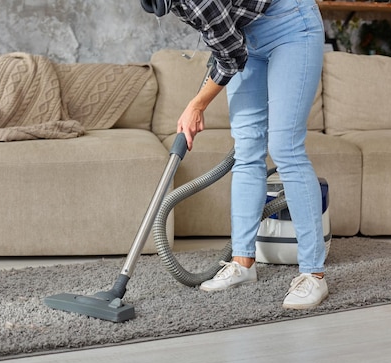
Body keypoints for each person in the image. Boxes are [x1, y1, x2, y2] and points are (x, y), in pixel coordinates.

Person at [140, 0, 328, 309]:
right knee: (247, 150)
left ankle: (313, 275)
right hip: (245, 38)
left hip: (291, 26)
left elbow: (229, 58)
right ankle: (242, 263)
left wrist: (196, 105)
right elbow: (227, 45)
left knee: (285, 148)